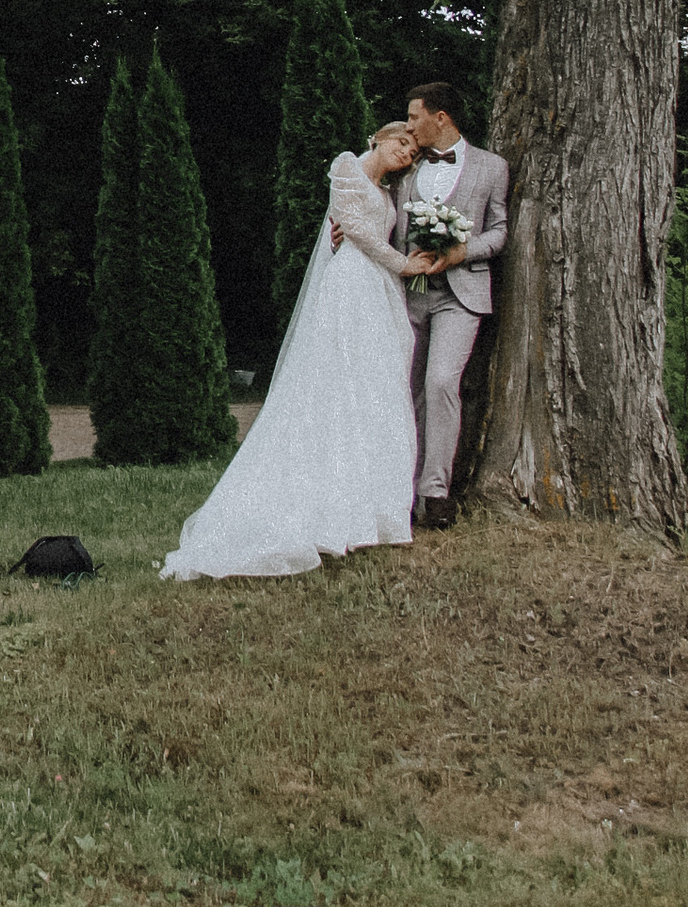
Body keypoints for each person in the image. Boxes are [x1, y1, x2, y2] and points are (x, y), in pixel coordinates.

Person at [160, 123, 436, 581]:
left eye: (412, 151)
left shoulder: (389, 193)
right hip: (353, 283)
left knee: (376, 389)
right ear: (378, 139)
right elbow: (358, 233)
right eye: (400, 143)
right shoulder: (347, 165)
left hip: (380, 289)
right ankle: (320, 506)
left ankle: (373, 507)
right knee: (338, 384)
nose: (406, 154)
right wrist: (403, 264)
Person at [388, 80, 509, 529]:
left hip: (461, 295)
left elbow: (499, 230)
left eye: (415, 116)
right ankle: (395, 487)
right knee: (402, 389)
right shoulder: (406, 162)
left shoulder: (492, 167)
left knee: (440, 384)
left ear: (442, 118)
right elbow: (375, 197)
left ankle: (435, 492)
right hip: (405, 293)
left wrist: (463, 252)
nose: (409, 124)